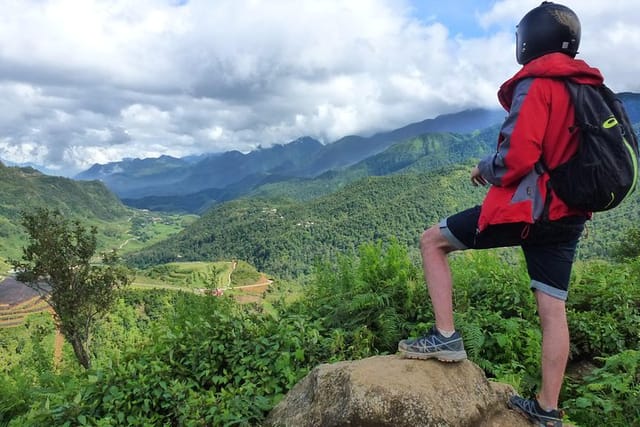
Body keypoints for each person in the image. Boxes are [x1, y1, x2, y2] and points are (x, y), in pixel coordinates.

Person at [397, 2, 604, 426]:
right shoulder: (588, 88)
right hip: (571, 216)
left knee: (431, 241)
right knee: (553, 308)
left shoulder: (539, 83)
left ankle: (446, 337)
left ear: (528, 40)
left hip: (531, 210)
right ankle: (548, 410)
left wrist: (482, 168)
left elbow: (517, 158)